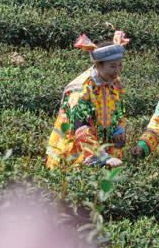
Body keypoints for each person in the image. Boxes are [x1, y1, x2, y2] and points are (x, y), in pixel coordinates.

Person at [45, 31, 129, 169]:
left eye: (120, 65)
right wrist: (101, 156)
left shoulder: (114, 84)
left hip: (106, 150)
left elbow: (118, 111)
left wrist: (119, 127)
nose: (117, 70)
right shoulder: (82, 89)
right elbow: (81, 127)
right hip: (78, 151)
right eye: (112, 66)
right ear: (98, 66)